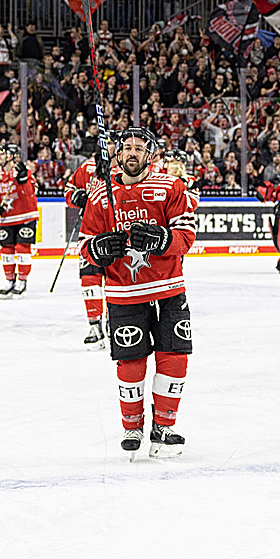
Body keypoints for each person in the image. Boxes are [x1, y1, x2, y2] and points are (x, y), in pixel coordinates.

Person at [77, 128, 197, 459]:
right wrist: (99, 248)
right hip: (123, 291)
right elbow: (85, 244)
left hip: (168, 286)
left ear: (150, 155)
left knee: (174, 355)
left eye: (139, 148)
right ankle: (132, 426)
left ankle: (164, 426)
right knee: (130, 359)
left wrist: (161, 239)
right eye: (127, 147)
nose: (132, 152)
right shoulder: (101, 193)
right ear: (117, 154)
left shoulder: (169, 186)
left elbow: (186, 235)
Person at [63, 143, 113, 350]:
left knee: (115, 280)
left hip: (115, 232)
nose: (110, 147)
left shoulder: (127, 168)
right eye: (107, 142)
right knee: (89, 279)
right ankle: (94, 326)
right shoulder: (88, 167)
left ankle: (114, 323)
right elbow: (69, 189)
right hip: (90, 232)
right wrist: (77, 197)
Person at [0, 143, 38, 298]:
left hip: (26, 216)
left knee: (22, 248)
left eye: (3, 153)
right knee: (6, 250)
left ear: (11, 156)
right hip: (7, 218)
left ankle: (22, 280)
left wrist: (23, 180)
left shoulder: (23, 171)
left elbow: (32, 192)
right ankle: (9, 280)